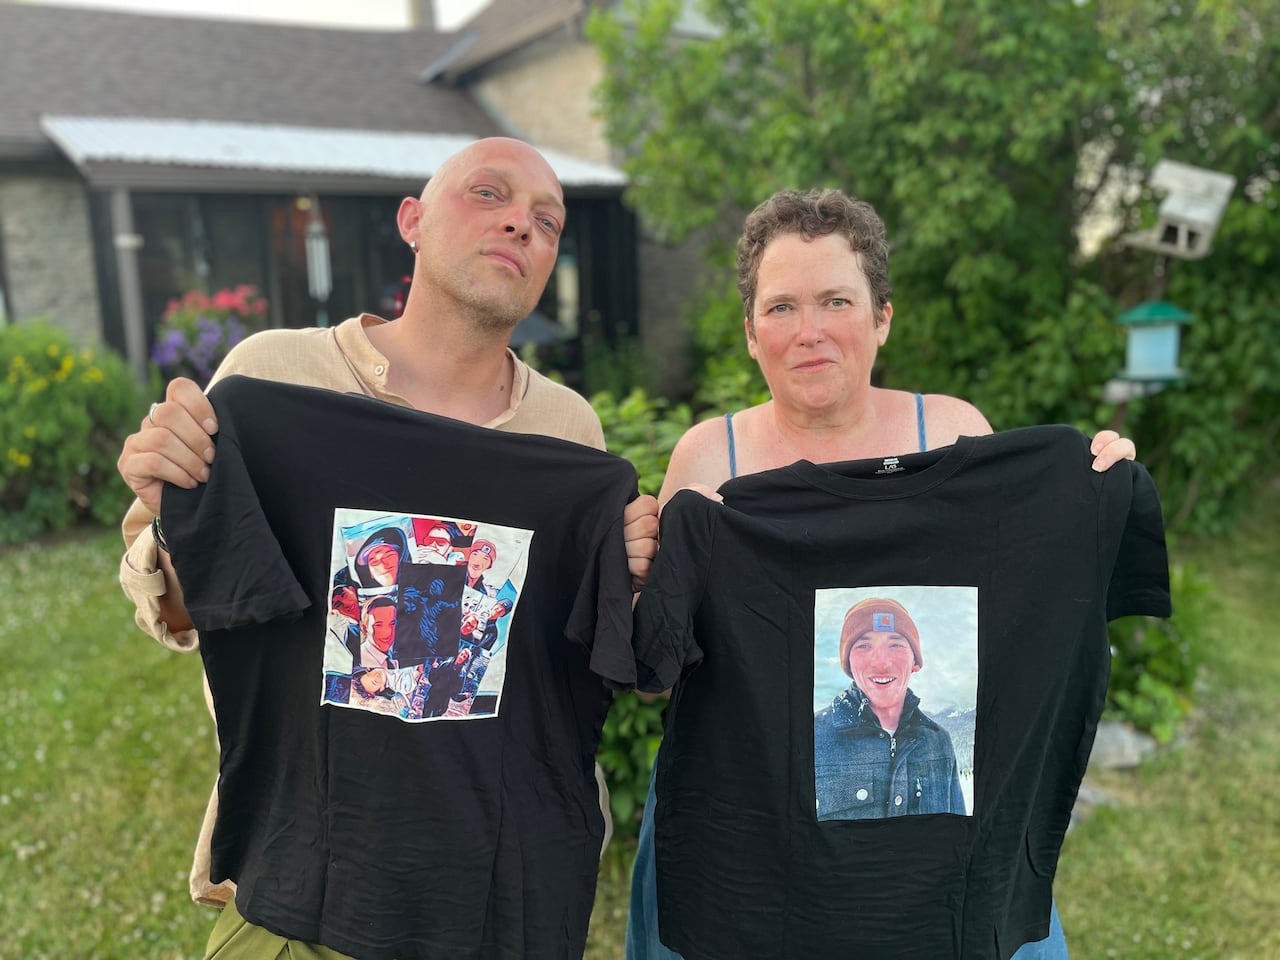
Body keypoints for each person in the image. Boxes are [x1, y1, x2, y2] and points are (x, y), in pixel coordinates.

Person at [116, 136, 659, 956]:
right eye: (489, 194)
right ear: (412, 219)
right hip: (303, 876)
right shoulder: (273, 380)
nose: (521, 225)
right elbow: (207, 608)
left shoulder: (570, 433)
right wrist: (177, 506)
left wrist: (635, 573)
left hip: (494, 887)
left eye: (547, 222)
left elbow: (562, 651)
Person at [624, 188, 1132, 960]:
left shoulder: (955, 436)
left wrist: (1087, 496)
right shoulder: (708, 460)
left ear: (882, 316)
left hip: (931, 825)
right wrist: (639, 585)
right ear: (752, 332)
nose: (811, 332)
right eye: (782, 307)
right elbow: (662, 674)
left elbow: (1011, 626)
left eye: (836, 300)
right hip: (754, 823)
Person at [814, 597, 964, 820]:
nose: (881, 662)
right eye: (864, 645)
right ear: (848, 664)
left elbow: (959, 835)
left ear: (915, 662)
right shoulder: (811, 737)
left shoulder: (939, 741)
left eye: (895, 644)